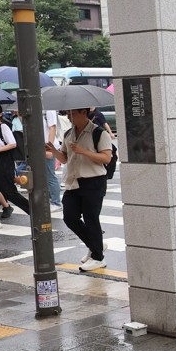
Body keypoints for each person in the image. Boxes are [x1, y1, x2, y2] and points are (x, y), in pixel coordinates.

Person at [48, 107, 113, 271]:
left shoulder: (98, 133)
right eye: (68, 113)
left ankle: (98, 257)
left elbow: (106, 158)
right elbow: (64, 159)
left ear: (83, 112)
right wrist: (53, 150)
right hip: (74, 182)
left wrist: (83, 151)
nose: (69, 117)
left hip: (94, 181)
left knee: (91, 218)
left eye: (72, 113)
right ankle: (95, 244)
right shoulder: (69, 133)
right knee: (70, 217)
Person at [0, 103, 30, 231]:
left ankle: (34, 211)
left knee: (9, 191)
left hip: (4, 161)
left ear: (0, 114)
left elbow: (12, 144)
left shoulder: (3, 127)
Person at [43, 109, 62, 210]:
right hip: (41, 146)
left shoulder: (49, 109)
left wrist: (49, 147)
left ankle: (56, 202)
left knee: (50, 175)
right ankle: (51, 200)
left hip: (48, 146)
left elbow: (52, 128)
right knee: (45, 176)